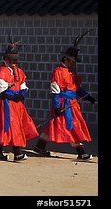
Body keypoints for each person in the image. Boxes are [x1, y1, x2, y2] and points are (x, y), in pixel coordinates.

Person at [33, 31, 96, 161]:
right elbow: (55, 90)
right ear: (66, 59)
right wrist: (56, 107)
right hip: (63, 103)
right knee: (72, 125)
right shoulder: (58, 72)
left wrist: (87, 96)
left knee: (53, 125)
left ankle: (40, 147)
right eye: (72, 61)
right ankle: (81, 151)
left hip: (72, 102)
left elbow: (76, 87)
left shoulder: (72, 72)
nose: (73, 63)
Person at [0, 38, 38, 161]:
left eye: (16, 59)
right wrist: (13, 95)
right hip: (5, 103)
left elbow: (23, 85)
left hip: (17, 103)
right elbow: (0, 89)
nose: (14, 62)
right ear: (5, 59)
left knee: (17, 126)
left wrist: (21, 94)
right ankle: (18, 152)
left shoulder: (18, 71)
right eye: (12, 59)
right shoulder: (1, 72)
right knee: (11, 126)